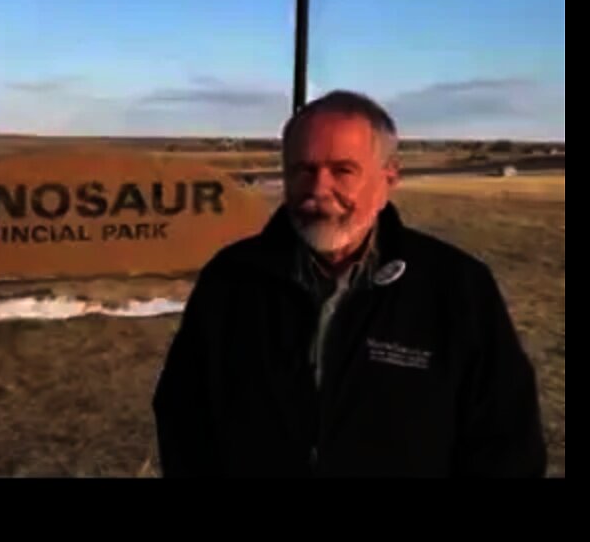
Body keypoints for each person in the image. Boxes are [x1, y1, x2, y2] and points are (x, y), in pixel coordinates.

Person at [152, 90, 546, 477]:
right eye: (303, 170)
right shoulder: (232, 278)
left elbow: (506, 441)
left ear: (389, 177)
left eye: (342, 171)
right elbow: (183, 412)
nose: (318, 190)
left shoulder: (456, 287)